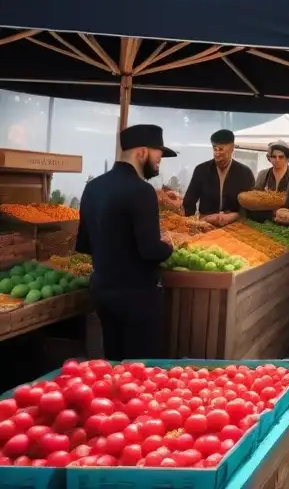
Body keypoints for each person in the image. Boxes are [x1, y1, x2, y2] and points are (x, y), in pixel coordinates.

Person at [75, 125, 176, 359]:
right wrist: (168, 246)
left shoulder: (93, 187)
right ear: (141, 152)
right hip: (137, 297)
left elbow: (84, 244)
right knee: (139, 370)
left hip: (103, 293)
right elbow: (151, 251)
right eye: (158, 157)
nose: (159, 163)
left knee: (113, 363)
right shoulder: (142, 191)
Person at [181, 129, 255, 227]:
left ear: (232, 148)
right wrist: (190, 222)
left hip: (235, 226)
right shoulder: (201, 170)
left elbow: (250, 205)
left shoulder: (245, 173)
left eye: (221, 149)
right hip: (205, 224)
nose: (217, 153)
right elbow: (189, 200)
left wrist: (233, 216)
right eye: (214, 149)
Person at [251, 142, 289, 223]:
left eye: (281, 157)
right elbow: (255, 197)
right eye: (274, 156)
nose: (277, 159)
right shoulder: (263, 175)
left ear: (287, 159)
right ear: (269, 158)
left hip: (287, 223)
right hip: (264, 221)